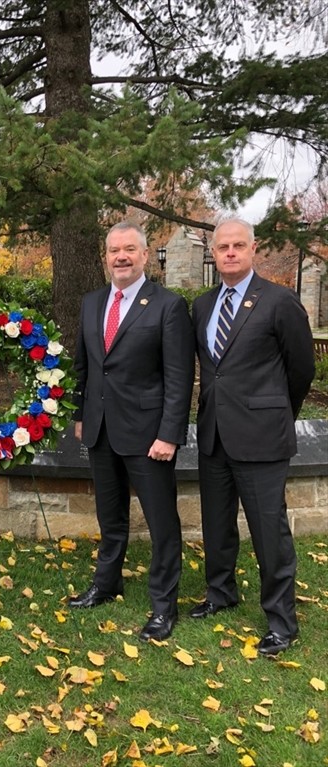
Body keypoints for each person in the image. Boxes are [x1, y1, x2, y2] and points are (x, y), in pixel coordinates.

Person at [190, 217, 315, 655]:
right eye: (222, 246)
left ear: (253, 249)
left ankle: (282, 621)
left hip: (262, 436)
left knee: (268, 530)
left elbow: (301, 370)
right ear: (213, 250)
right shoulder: (202, 305)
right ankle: (220, 594)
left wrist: (276, 413)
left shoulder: (280, 301)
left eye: (237, 245)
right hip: (214, 435)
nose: (229, 253)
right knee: (217, 524)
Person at [70, 220, 195, 642]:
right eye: (113, 250)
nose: (120, 256)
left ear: (145, 255)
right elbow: (85, 365)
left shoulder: (168, 305)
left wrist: (170, 434)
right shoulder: (90, 303)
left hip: (149, 436)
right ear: (105, 257)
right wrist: (80, 413)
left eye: (129, 249)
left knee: (162, 523)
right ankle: (107, 583)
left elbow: (179, 377)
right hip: (101, 431)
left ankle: (164, 606)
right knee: (111, 517)